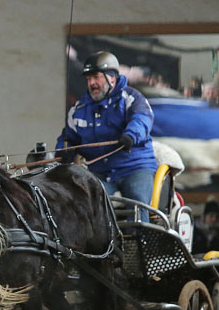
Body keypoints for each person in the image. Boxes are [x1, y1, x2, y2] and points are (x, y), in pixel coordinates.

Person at [57, 51, 158, 221]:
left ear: (112, 78)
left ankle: (139, 243)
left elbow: (142, 120)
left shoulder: (132, 98)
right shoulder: (78, 110)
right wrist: (63, 152)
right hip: (101, 173)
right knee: (87, 204)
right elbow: (69, 138)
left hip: (135, 167)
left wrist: (130, 136)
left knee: (137, 201)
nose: (92, 83)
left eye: (96, 77)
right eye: (88, 79)